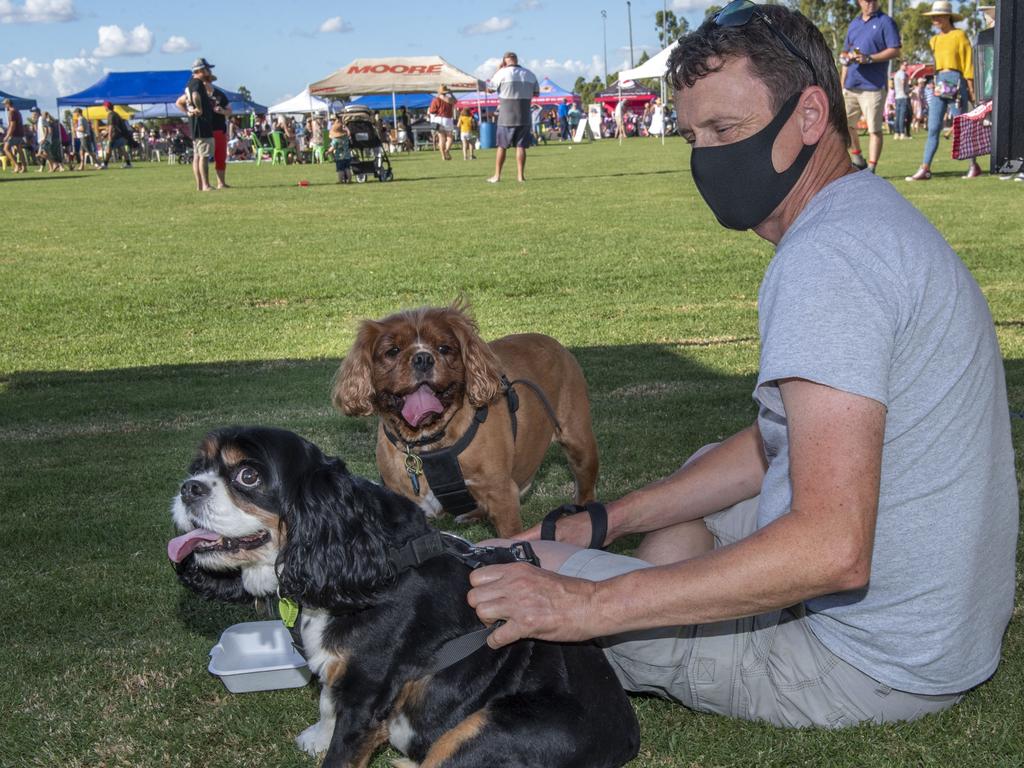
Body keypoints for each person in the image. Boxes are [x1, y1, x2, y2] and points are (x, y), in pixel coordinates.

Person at [466, 1, 1017, 729]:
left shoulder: (828, 260)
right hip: (943, 631)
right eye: (694, 136)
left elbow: (830, 550)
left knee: (492, 583)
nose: (708, 158)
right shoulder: (865, 216)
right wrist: (601, 522)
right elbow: (773, 443)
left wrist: (587, 602)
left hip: (869, 665)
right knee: (690, 494)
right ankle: (639, 585)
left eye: (726, 131)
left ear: (811, 116)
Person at [906, 1, 983, 181]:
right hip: (939, 84)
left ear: (948, 16)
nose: (935, 20)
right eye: (933, 17)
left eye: (938, 16)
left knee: (961, 127)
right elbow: (936, 65)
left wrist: (971, 88)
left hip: (957, 83)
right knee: (933, 127)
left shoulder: (959, 36)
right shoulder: (934, 40)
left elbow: (967, 64)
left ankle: (973, 164)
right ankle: (925, 167)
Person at [840, 0, 901, 173]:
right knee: (846, 125)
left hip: (873, 86)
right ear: (859, 2)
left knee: (874, 129)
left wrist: (870, 58)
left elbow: (895, 50)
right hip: (851, 84)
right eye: (867, 0)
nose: (871, 3)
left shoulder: (885, 22)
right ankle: (858, 159)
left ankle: (872, 168)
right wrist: (842, 78)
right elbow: (845, 51)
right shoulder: (854, 24)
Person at [486, 51, 539, 183]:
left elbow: (489, 89)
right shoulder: (530, 74)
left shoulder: (501, 73)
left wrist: (498, 70)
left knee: (502, 147)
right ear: (516, 60)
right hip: (524, 115)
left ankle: (497, 176)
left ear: (504, 61)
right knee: (521, 147)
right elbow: (536, 93)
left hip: (506, 116)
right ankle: (521, 176)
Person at [175, 57, 216, 190]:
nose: (209, 71)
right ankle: (205, 185)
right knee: (203, 156)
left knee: (197, 156)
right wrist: (199, 108)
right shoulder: (197, 83)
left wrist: (187, 111)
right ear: (200, 70)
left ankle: (199, 185)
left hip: (195, 125)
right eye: (207, 69)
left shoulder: (190, 83)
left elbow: (179, 102)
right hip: (202, 124)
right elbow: (195, 96)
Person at [206, 73, 232, 188]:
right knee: (204, 157)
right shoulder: (199, 94)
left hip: (219, 129)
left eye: (208, 80)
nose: (206, 82)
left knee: (220, 157)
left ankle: (221, 183)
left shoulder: (220, 95)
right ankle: (205, 184)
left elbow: (229, 111)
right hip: (205, 130)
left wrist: (222, 111)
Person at [428, 85, 457, 161]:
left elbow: (431, 111)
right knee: (450, 137)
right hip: (447, 119)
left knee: (441, 138)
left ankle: (443, 156)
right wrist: (451, 94)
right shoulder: (449, 99)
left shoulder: (436, 100)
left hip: (438, 119)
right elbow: (456, 101)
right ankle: (447, 150)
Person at [3, 97, 27, 173]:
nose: (4, 106)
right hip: (20, 133)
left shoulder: (11, 112)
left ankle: (17, 166)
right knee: (20, 150)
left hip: (14, 134)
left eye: (4, 104)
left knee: (6, 149)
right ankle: (24, 167)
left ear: (7, 104)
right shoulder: (18, 111)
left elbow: (12, 125)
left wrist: (7, 136)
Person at [329, 117, 352, 183]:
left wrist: (328, 152)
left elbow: (332, 147)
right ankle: (349, 180)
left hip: (339, 158)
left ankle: (340, 180)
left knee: (340, 170)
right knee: (348, 169)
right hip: (347, 156)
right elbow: (348, 133)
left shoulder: (336, 140)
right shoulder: (346, 138)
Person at [891, 61, 910, 139]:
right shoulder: (902, 73)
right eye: (905, 65)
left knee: (898, 116)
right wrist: (905, 91)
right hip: (902, 96)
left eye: (907, 65)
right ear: (901, 65)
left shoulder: (896, 74)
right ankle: (902, 133)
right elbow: (903, 82)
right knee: (902, 116)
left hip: (897, 97)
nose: (906, 66)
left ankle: (896, 133)